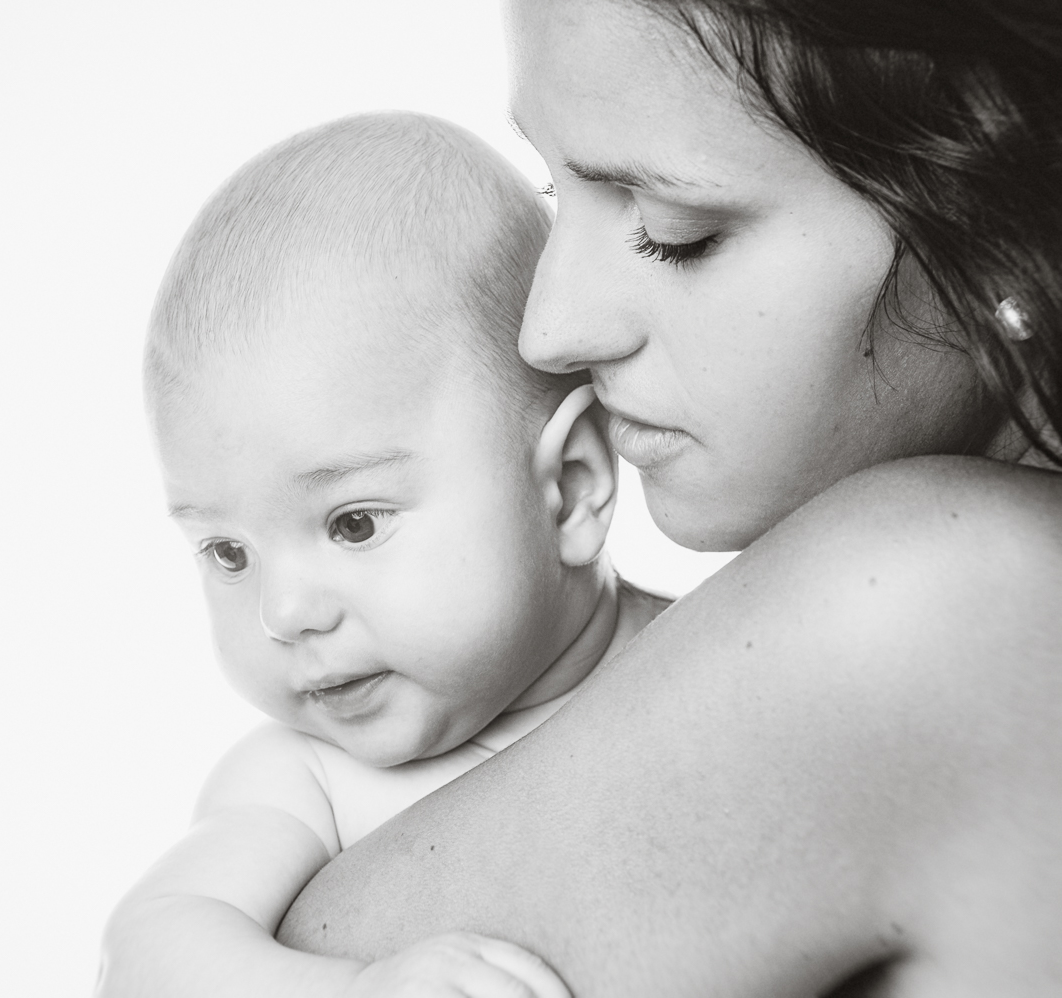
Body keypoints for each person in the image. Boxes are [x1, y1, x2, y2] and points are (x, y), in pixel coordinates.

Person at [277, 2, 1062, 995]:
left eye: (669, 231)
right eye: (556, 193)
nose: (548, 331)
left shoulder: (949, 608)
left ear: (1006, 209)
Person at [97, 111, 671, 997]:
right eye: (227, 550)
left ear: (575, 484)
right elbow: (148, 953)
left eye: (353, 524)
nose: (283, 613)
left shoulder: (725, 654)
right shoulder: (307, 783)